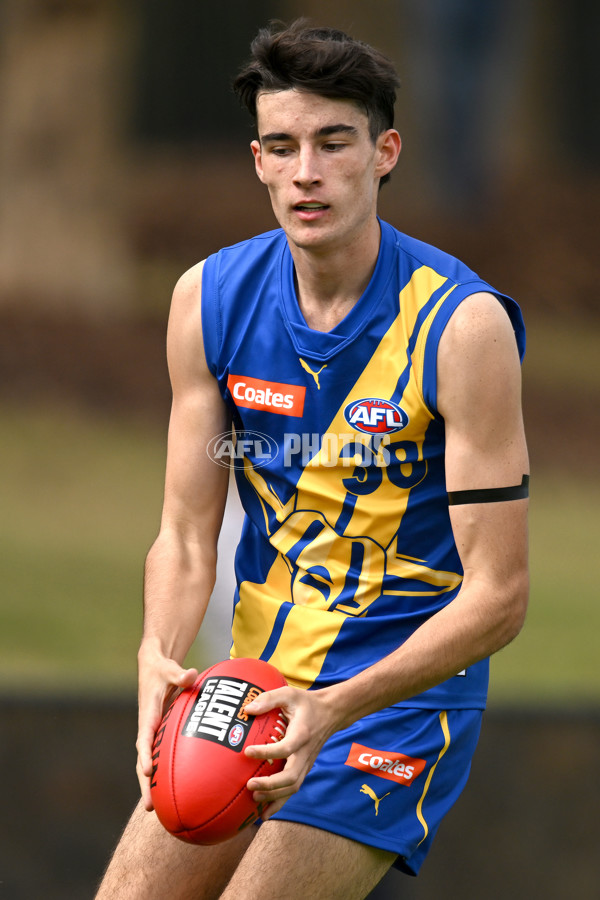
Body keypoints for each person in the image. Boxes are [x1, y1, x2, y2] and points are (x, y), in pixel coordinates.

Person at [96, 19, 529, 900]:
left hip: (396, 707)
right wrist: (157, 654)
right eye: (283, 146)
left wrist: (336, 708)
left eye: (335, 143)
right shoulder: (209, 300)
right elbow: (184, 535)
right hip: (258, 686)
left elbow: (501, 596)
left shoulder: (463, 326)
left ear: (386, 152)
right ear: (257, 160)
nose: (307, 173)